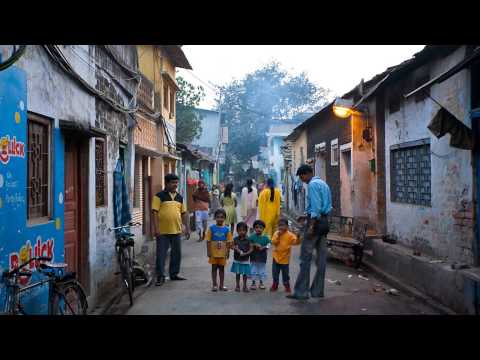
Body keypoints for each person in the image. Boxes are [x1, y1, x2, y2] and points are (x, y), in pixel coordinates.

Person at [287, 164, 332, 300]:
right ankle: (318, 291)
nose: (302, 180)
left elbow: (316, 208)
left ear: (307, 173)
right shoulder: (323, 184)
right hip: (325, 223)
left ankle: (301, 292)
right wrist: (305, 214)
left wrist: (311, 225)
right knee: (321, 259)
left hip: (316, 224)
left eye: (302, 177)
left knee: (305, 259)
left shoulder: (312, 185)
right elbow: (324, 205)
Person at [152, 173, 190, 286]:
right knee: (161, 254)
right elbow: (154, 212)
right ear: (167, 183)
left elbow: (184, 213)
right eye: (173, 182)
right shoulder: (159, 196)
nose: (175, 185)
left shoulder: (180, 197)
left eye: (176, 182)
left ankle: (174, 274)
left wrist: (187, 228)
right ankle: (160, 276)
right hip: (162, 231)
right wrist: (156, 228)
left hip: (177, 230)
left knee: (176, 253)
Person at [270, 218, 301, 293]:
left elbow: (296, 243)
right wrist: (278, 236)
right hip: (276, 257)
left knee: (285, 274)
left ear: (287, 226)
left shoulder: (290, 235)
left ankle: (287, 285)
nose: (281, 227)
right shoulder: (276, 233)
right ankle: (275, 284)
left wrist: (298, 237)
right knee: (275, 273)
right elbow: (274, 242)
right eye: (279, 225)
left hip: (285, 259)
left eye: (282, 225)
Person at [206, 208, 234, 292]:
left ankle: (221, 285)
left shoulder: (226, 229)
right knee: (214, 268)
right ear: (215, 218)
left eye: (222, 217)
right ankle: (214, 285)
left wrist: (228, 252)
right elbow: (208, 241)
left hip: (222, 253)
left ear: (224, 218)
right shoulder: (211, 228)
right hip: (213, 253)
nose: (220, 219)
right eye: (218, 217)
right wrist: (209, 251)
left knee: (222, 269)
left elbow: (229, 242)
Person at [230, 222, 253, 292]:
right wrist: (235, 248)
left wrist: (246, 253)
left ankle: (245, 286)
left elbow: (251, 249)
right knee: (238, 273)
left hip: (245, 260)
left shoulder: (249, 239)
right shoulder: (235, 239)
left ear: (246, 231)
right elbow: (231, 246)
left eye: (243, 230)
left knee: (245, 274)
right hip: (237, 259)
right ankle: (237, 286)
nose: (241, 232)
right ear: (237, 231)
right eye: (240, 230)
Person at [248, 220, 271, 290]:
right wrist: (254, 244)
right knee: (253, 270)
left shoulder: (266, 238)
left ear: (263, 229)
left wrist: (264, 247)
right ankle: (253, 283)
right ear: (254, 228)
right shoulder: (252, 237)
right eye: (257, 227)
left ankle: (261, 283)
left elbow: (269, 244)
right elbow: (248, 243)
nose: (258, 229)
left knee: (262, 270)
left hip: (262, 257)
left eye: (260, 228)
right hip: (253, 257)